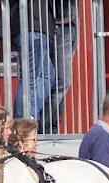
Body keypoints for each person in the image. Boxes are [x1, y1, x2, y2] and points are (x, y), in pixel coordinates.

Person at [10, 0, 56, 121]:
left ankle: (30, 115)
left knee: (48, 76)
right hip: (32, 28)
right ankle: (23, 122)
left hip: (38, 28)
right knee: (29, 79)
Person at [41, 0, 78, 133]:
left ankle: (52, 126)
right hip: (59, 27)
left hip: (70, 27)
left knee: (61, 84)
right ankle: (45, 126)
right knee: (62, 82)